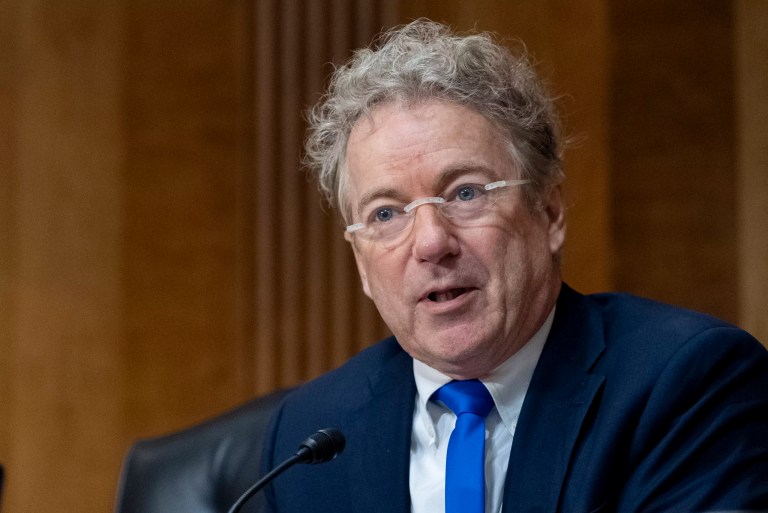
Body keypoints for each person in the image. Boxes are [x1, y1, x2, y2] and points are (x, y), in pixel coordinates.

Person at [261, 19, 768, 513]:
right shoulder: (308, 435)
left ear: (549, 212)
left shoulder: (684, 384)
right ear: (361, 262)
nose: (432, 242)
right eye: (386, 214)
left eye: (465, 193)